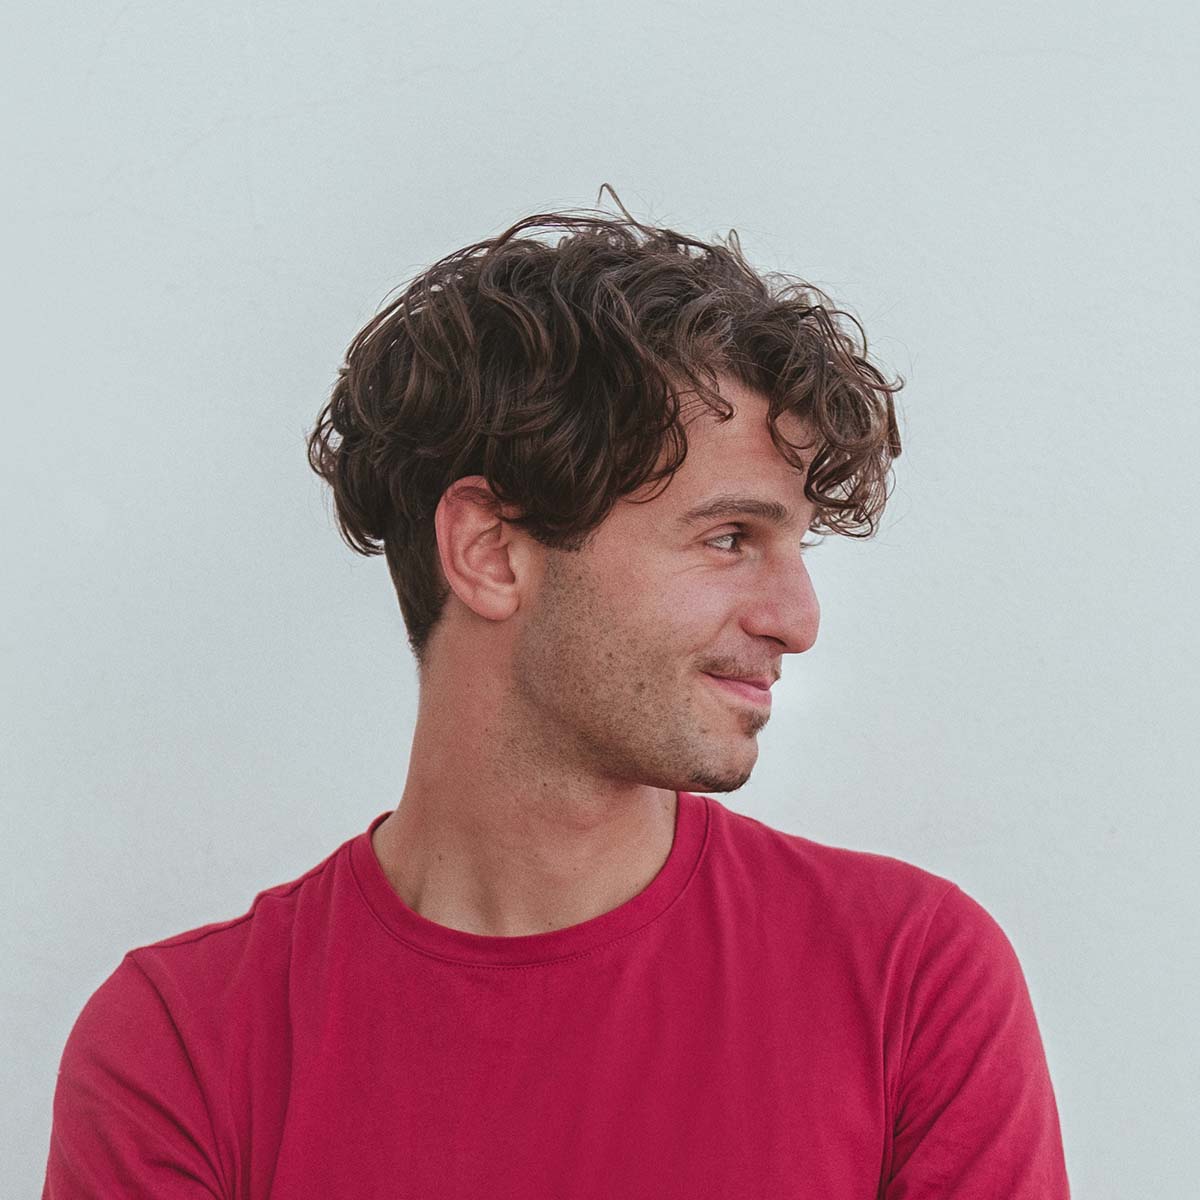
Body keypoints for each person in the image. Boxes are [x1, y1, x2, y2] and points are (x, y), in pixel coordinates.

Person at [42, 195, 1071, 1197]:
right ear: (491, 553)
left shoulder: (909, 982)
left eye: (795, 547)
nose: (797, 621)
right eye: (728, 538)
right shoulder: (182, 1049)